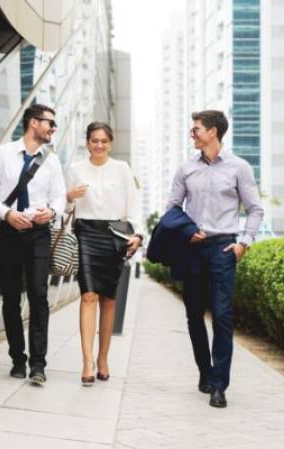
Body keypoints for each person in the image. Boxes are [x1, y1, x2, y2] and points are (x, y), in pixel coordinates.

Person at [166, 110, 264, 408]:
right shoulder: (186, 169)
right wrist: (185, 233)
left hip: (223, 248)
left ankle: (219, 385)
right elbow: (172, 208)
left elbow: (255, 209)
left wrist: (243, 243)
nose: (192, 133)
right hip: (192, 249)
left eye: (196, 129)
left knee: (222, 316)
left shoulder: (239, 168)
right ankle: (205, 372)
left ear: (213, 132)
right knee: (194, 315)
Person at [0, 104, 66, 384]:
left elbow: (60, 196)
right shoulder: (4, 154)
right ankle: (18, 358)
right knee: (11, 298)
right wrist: (7, 213)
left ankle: (38, 364)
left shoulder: (51, 161)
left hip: (39, 234)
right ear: (33, 123)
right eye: (49, 123)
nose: (53, 128)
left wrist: (51, 212)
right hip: (8, 231)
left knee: (39, 296)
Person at [66, 121, 142, 386]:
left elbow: (133, 205)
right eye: (94, 140)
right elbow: (64, 209)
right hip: (86, 233)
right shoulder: (75, 169)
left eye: (104, 141)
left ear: (111, 143)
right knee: (88, 295)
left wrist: (138, 234)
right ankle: (87, 361)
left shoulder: (122, 169)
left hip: (114, 236)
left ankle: (103, 358)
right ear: (87, 142)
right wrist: (68, 196)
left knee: (108, 300)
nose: (99, 145)